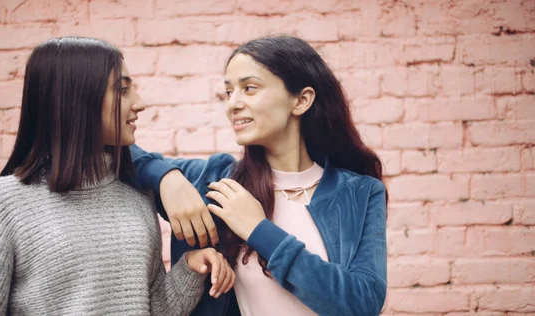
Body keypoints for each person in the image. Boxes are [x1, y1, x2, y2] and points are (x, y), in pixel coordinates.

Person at [0, 37, 234, 316]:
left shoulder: (136, 196)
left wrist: (190, 268)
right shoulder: (0, 204)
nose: (139, 103)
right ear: (77, 98)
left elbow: (150, 308)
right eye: (122, 90)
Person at [128, 35, 388, 316]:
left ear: (301, 101)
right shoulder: (216, 181)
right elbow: (110, 150)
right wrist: (169, 179)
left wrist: (259, 230)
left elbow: (363, 303)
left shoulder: (359, 193)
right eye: (229, 92)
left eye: (249, 88)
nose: (233, 104)